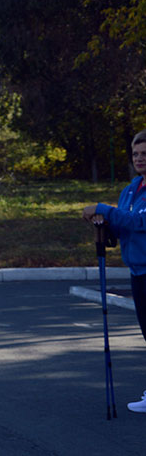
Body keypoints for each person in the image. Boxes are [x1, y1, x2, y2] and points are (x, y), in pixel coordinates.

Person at [83, 128, 146, 414]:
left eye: (145, 154)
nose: (140, 159)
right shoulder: (131, 189)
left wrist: (104, 209)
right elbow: (123, 226)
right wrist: (103, 225)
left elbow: (138, 222)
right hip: (137, 271)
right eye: (136, 154)